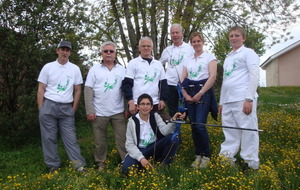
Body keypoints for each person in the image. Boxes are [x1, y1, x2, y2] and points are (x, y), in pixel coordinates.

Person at [37, 40, 86, 173]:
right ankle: (53, 165)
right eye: (62, 49)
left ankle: (78, 166)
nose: (64, 52)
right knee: (49, 138)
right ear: (57, 51)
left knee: (71, 138)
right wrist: (41, 109)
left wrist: (73, 108)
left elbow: (78, 90)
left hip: (66, 108)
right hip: (49, 105)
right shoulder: (48, 67)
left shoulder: (75, 69)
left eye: (67, 50)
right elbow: (41, 88)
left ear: (70, 53)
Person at [218, 26, 260, 170]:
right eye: (231, 36)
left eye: (237, 35)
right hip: (228, 100)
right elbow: (225, 80)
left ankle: (250, 162)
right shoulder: (228, 57)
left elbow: (254, 75)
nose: (234, 38)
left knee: (248, 131)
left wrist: (249, 99)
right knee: (229, 131)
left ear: (243, 38)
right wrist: (221, 102)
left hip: (242, 99)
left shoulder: (249, 53)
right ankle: (227, 158)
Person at [84, 41, 127, 172]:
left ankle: (126, 161)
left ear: (115, 53)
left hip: (118, 111)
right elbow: (88, 89)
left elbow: (127, 90)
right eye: (106, 51)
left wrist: (126, 108)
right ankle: (101, 163)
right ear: (101, 53)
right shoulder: (94, 69)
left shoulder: (122, 70)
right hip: (99, 112)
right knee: (99, 141)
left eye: (111, 51)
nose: (108, 53)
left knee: (123, 139)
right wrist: (89, 110)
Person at [121, 93, 185, 175]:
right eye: (142, 104)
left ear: (151, 107)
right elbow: (129, 144)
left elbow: (165, 131)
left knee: (173, 138)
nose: (145, 107)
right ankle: (144, 165)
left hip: (154, 147)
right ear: (137, 107)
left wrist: (173, 119)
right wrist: (141, 158)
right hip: (140, 150)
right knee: (126, 170)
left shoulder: (155, 116)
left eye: (148, 104)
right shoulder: (132, 121)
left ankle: (164, 166)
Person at [181, 32, 218, 168]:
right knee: (193, 125)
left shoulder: (209, 57)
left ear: (203, 42)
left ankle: (206, 155)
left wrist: (201, 93)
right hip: (190, 93)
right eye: (193, 41)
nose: (196, 44)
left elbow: (212, 76)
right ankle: (198, 154)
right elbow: (183, 78)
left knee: (200, 125)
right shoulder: (188, 59)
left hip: (204, 92)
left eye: (198, 41)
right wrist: (185, 94)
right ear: (191, 44)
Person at [122, 36, 170, 122]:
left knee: (168, 125)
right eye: (143, 46)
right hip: (138, 105)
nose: (146, 48)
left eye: (148, 46)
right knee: (139, 131)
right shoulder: (133, 63)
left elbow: (163, 84)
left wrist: (163, 99)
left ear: (152, 47)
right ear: (139, 48)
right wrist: (130, 101)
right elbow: (127, 84)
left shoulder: (158, 64)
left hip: (155, 104)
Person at [159, 23, 194, 117]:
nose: (175, 35)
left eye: (177, 32)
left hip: (185, 84)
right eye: (172, 33)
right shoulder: (167, 50)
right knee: (173, 111)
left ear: (182, 33)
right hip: (170, 84)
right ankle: (175, 131)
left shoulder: (189, 48)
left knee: (188, 110)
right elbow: (159, 64)